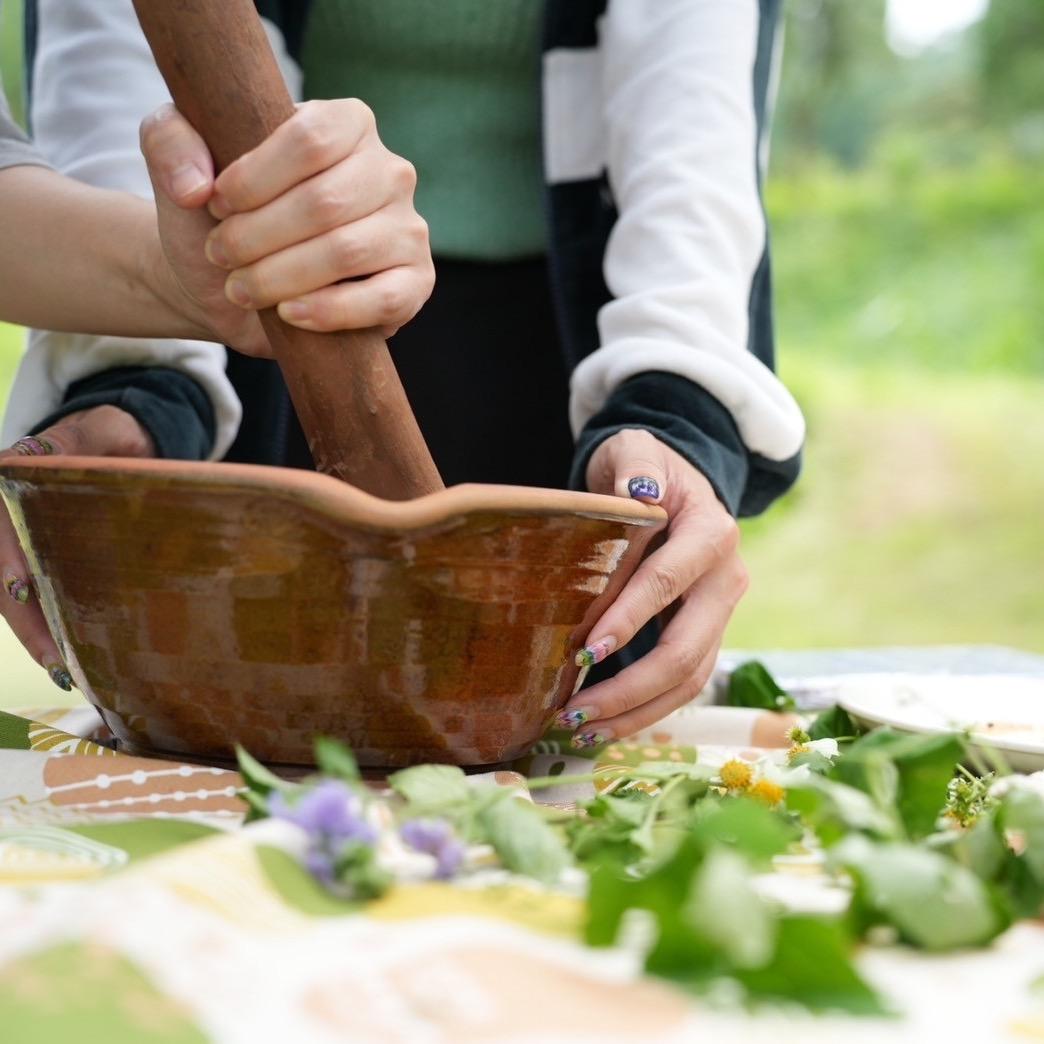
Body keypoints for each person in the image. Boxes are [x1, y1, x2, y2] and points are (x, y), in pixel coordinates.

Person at [7, 0, 806, 748]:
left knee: (552, 731)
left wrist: (673, 413)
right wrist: (135, 387)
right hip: (262, 346)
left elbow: (693, 129)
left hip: (562, 326)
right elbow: (130, 122)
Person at [0, 76, 433, 683]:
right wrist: (142, 374)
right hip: (264, 332)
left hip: (518, 319)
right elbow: (110, 83)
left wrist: (620, 398)